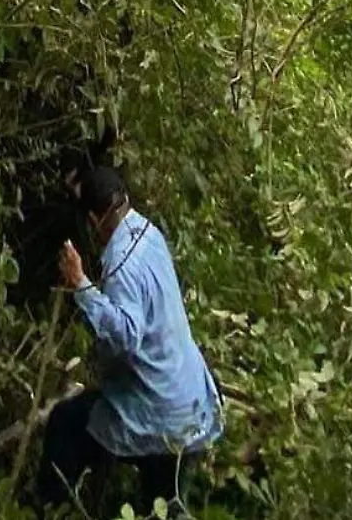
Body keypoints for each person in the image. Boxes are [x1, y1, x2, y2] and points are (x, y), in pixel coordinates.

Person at [37, 165, 222, 515]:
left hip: (160, 415)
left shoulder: (120, 263)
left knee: (65, 423)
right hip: (192, 403)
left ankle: (52, 508)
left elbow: (124, 336)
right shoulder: (149, 233)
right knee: (167, 505)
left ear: (94, 220)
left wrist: (80, 284)